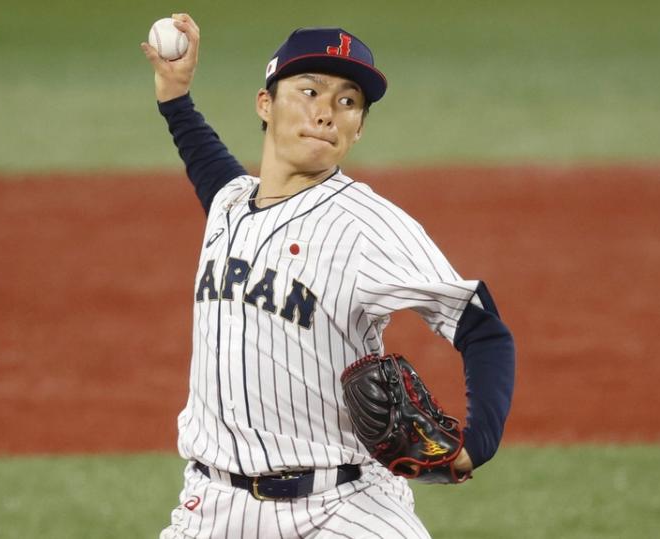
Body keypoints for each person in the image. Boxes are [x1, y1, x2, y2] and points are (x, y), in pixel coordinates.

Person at [141, 13, 515, 538]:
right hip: (213, 506)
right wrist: (175, 97)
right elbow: (215, 173)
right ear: (265, 105)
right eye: (309, 91)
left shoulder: (369, 226)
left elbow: (482, 328)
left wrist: (478, 444)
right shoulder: (230, 204)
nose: (325, 113)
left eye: (347, 102)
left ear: (358, 128)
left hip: (343, 509)